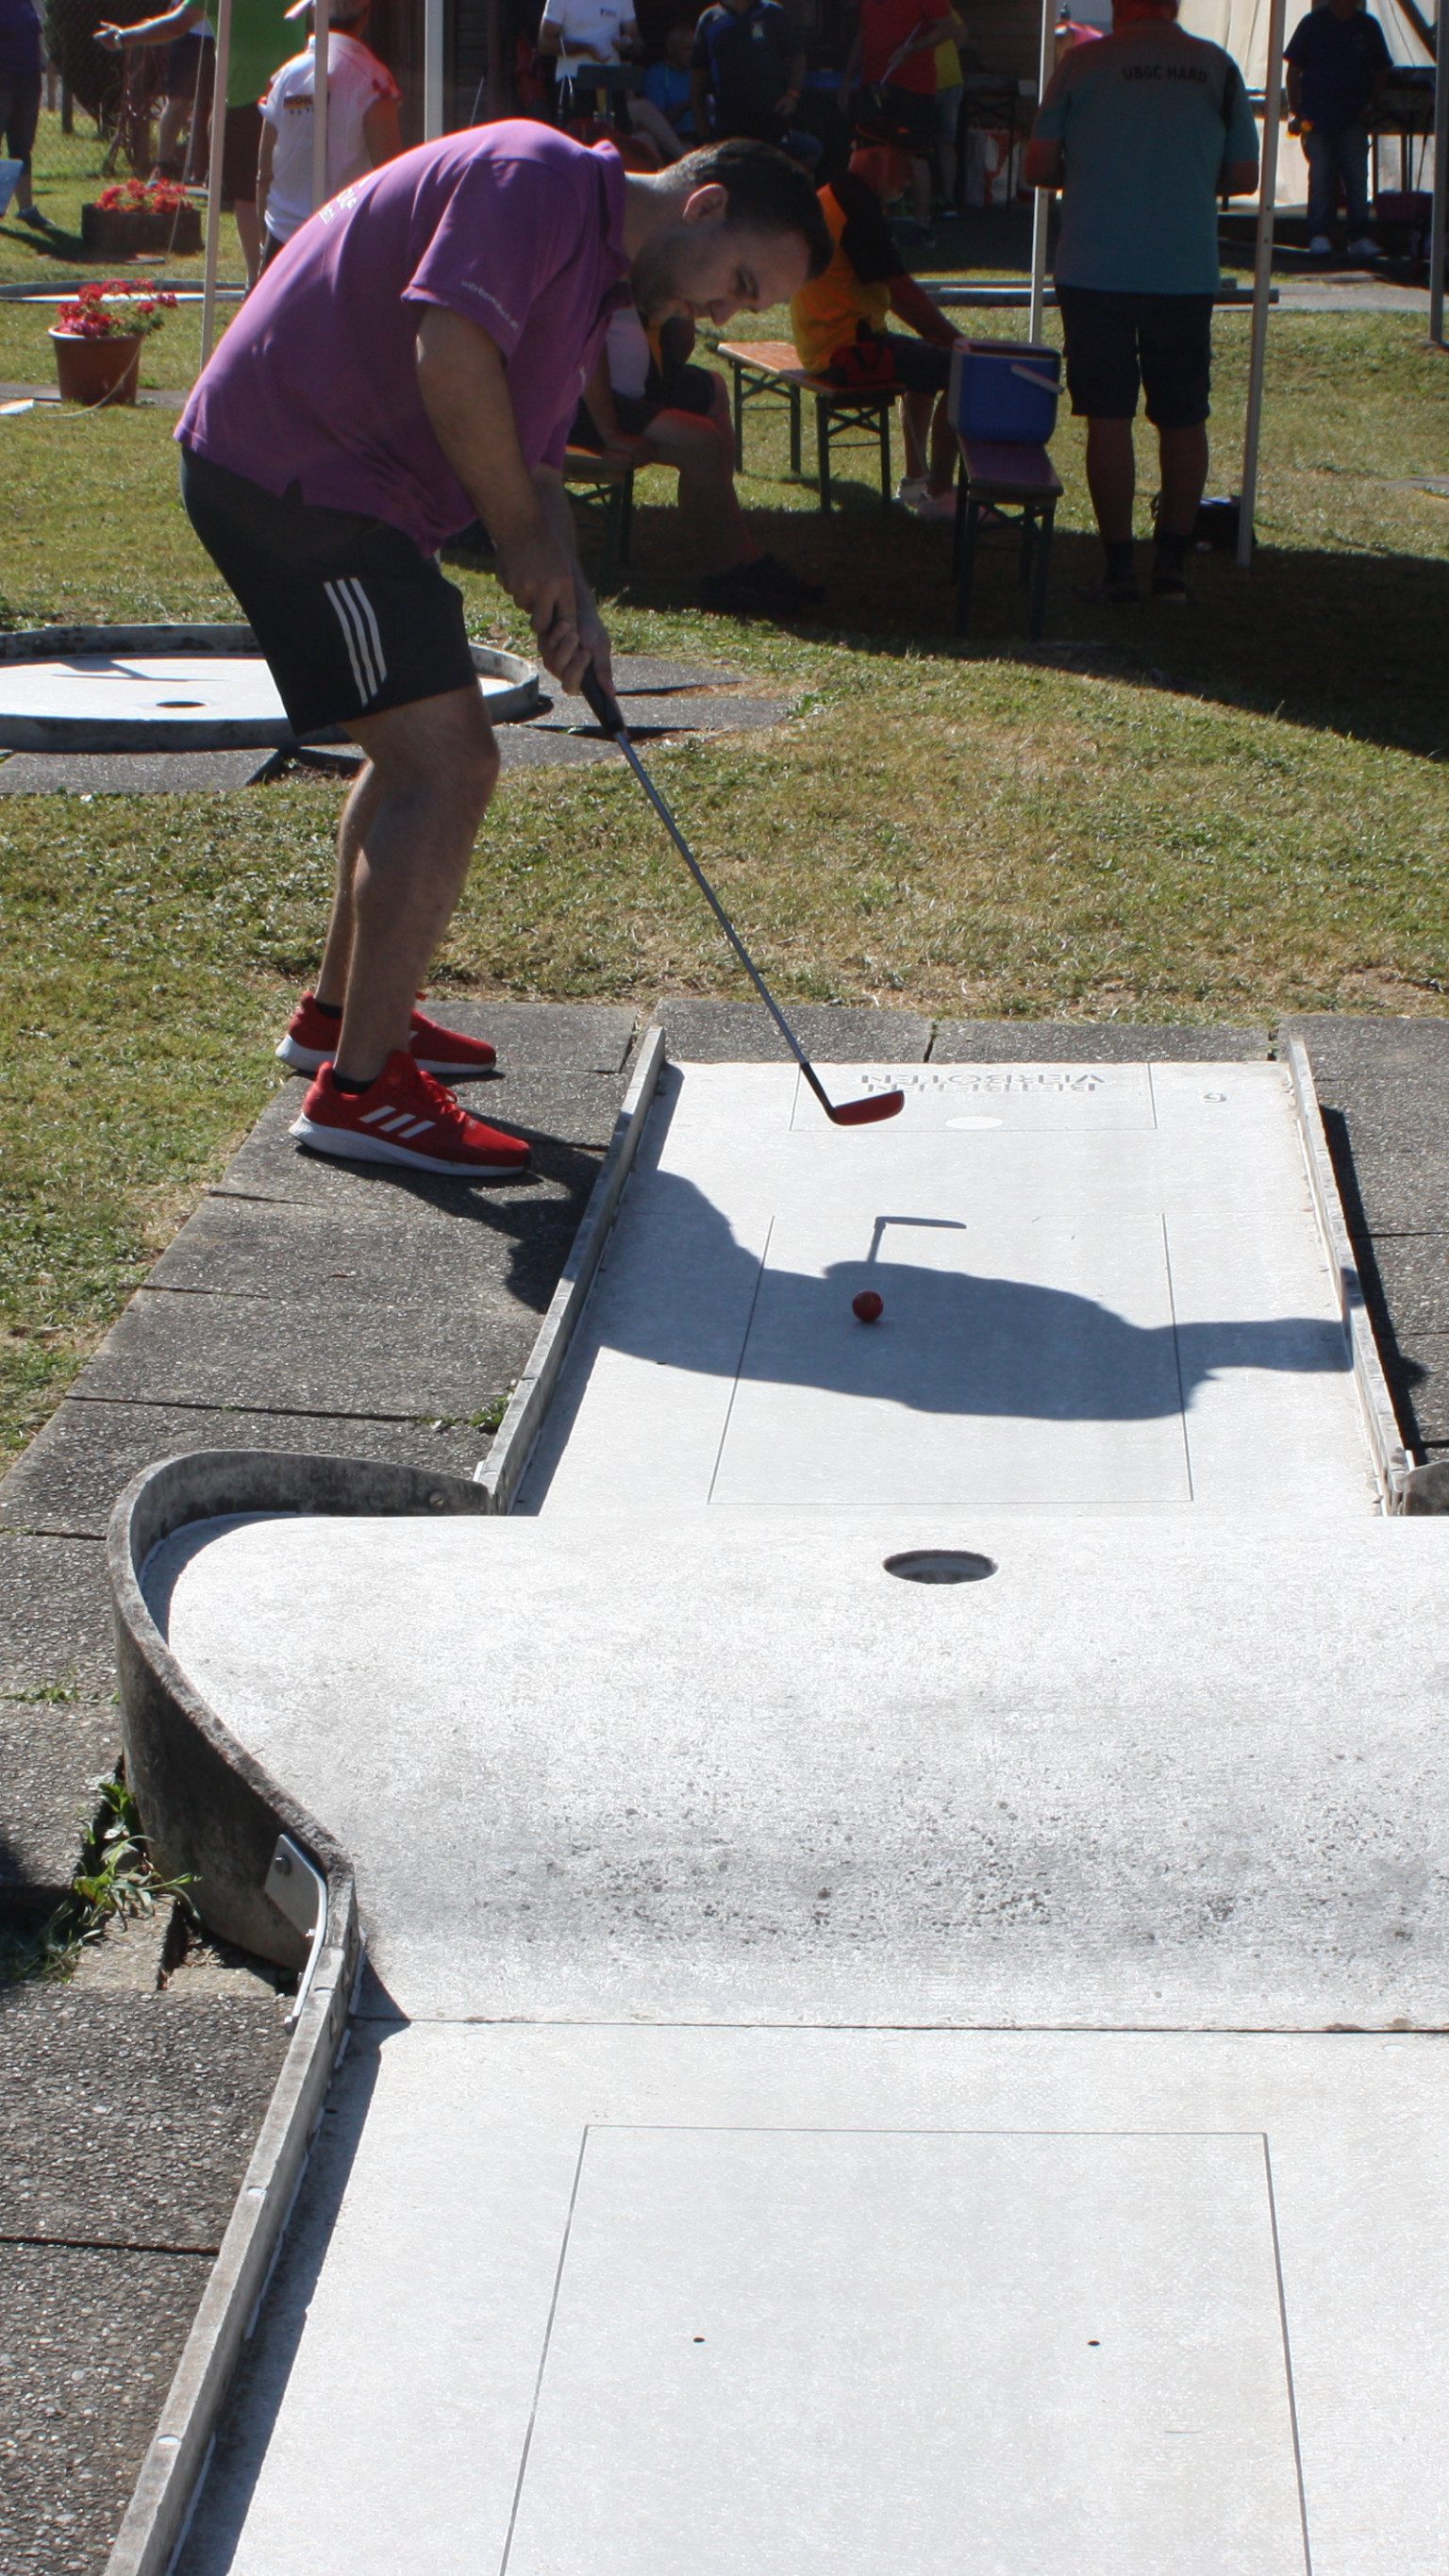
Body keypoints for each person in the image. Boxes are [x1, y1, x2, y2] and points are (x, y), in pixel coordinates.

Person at [175, 127, 830, 1178]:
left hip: (344, 491)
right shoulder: (533, 179)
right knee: (447, 763)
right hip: (294, 479)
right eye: (739, 284)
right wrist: (520, 539)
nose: (719, 316)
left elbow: (538, 464)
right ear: (703, 207)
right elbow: (450, 352)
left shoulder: (589, 265)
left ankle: (341, 1019)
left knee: (418, 747)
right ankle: (361, 1093)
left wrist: (572, 595)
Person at [1024, 0, 1258, 604]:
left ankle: (1119, 565)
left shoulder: (1081, 65)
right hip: (1182, 268)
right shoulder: (1216, 66)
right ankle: (1172, 565)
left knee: (1107, 416)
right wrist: (1185, 178)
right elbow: (1244, 175)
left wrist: (1098, 172)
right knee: (1183, 415)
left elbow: (1039, 165)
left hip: (1095, 264)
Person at [576, 301, 824, 610]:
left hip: (634, 387)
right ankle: (729, 573)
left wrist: (679, 313)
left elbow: (682, 342)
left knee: (712, 389)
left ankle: (737, 549)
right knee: (701, 441)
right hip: (585, 401)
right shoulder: (589, 273)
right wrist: (611, 431)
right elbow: (585, 339)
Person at [791, 121, 960, 513]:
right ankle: (940, 494)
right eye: (906, 163)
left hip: (823, 343)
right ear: (878, 158)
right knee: (962, 370)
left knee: (925, 362)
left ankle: (916, 482)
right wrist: (959, 342)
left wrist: (937, 336)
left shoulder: (833, 196)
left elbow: (890, 287)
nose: (910, 176)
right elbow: (900, 290)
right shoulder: (856, 207)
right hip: (848, 351)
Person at [96, 0, 293, 284]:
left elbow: (176, 24)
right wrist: (123, 36)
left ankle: (265, 276)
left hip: (278, 99)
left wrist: (123, 37)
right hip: (264, 100)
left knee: (254, 195)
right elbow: (176, 23)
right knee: (254, 193)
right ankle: (261, 277)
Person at [257, 0, 400, 269]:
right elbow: (390, 175)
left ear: (314, 12)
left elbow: (264, 172)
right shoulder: (374, 81)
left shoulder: (285, 76)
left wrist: (264, 240)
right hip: (341, 236)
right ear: (365, 15)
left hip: (283, 236)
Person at [837, 0, 955, 233]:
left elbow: (947, 27)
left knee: (915, 153)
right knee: (870, 153)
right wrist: (848, 80)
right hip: (875, 83)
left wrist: (911, 49)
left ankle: (921, 224)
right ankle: (874, 220)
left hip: (914, 87)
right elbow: (863, 32)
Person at [1285, 0, 1390, 258]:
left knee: (1357, 179)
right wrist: (1297, 111)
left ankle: (1359, 236)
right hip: (1317, 118)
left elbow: (1383, 68)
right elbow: (1293, 70)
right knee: (1321, 177)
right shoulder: (1313, 24)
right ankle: (1318, 234)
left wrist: (1370, 104)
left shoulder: (1368, 26)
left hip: (1353, 118)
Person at [691, 0, 819, 164]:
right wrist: (699, 115)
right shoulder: (709, 19)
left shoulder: (773, 12)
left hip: (772, 117)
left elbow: (797, 57)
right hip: (728, 122)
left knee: (806, 152)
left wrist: (792, 95)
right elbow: (699, 72)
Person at [0, 0, 52, 232]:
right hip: (4, 77)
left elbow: (37, 34)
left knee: (22, 146)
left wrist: (42, 62)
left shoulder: (27, 3)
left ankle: (26, 208)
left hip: (29, 78)